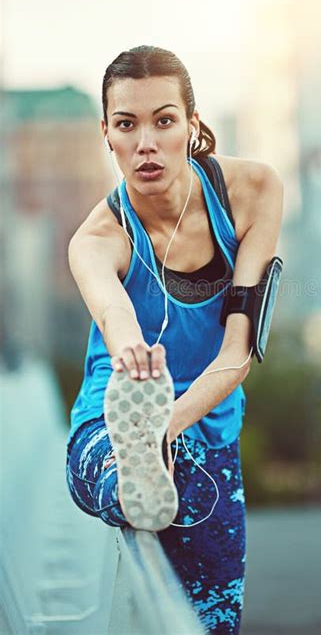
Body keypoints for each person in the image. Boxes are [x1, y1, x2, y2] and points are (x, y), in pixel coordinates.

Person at [64, 45, 283, 634]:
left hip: (204, 430)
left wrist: (166, 424)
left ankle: (148, 466)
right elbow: (114, 313)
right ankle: (125, 478)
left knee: (213, 619)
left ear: (192, 124)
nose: (146, 143)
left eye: (164, 120)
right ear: (106, 134)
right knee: (113, 468)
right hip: (116, 416)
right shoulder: (96, 238)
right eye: (127, 124)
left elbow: (237, 352)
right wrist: (134, 357)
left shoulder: (252, 192)